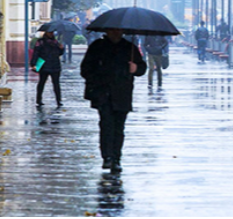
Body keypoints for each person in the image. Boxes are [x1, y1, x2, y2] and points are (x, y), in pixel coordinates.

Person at [81, 28, 147, 173]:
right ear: (107, 31)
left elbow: (142, 68)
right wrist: (97, 79)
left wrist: (135, 68)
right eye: (113, 31)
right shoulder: (97, 46)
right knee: (106, 125)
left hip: (122, 93)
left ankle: (117, 158)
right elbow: (85, 69)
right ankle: (107, 157)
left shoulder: (129, 47)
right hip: (103, 93)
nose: (116, 33)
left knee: (119, 128)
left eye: (118, 31)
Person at [32, 31, 65, 108]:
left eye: (52, 32)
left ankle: (58, 100)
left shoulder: (56, 42)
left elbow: (59, 53)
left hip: (55, 65)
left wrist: (61, 49)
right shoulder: (40, 42)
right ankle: (39, 99)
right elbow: (36, 53)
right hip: (44, 64)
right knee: (42, 82)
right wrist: (33, 64)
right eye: (49, 32)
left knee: (56, 84)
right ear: (46, 33)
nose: (51, 34)